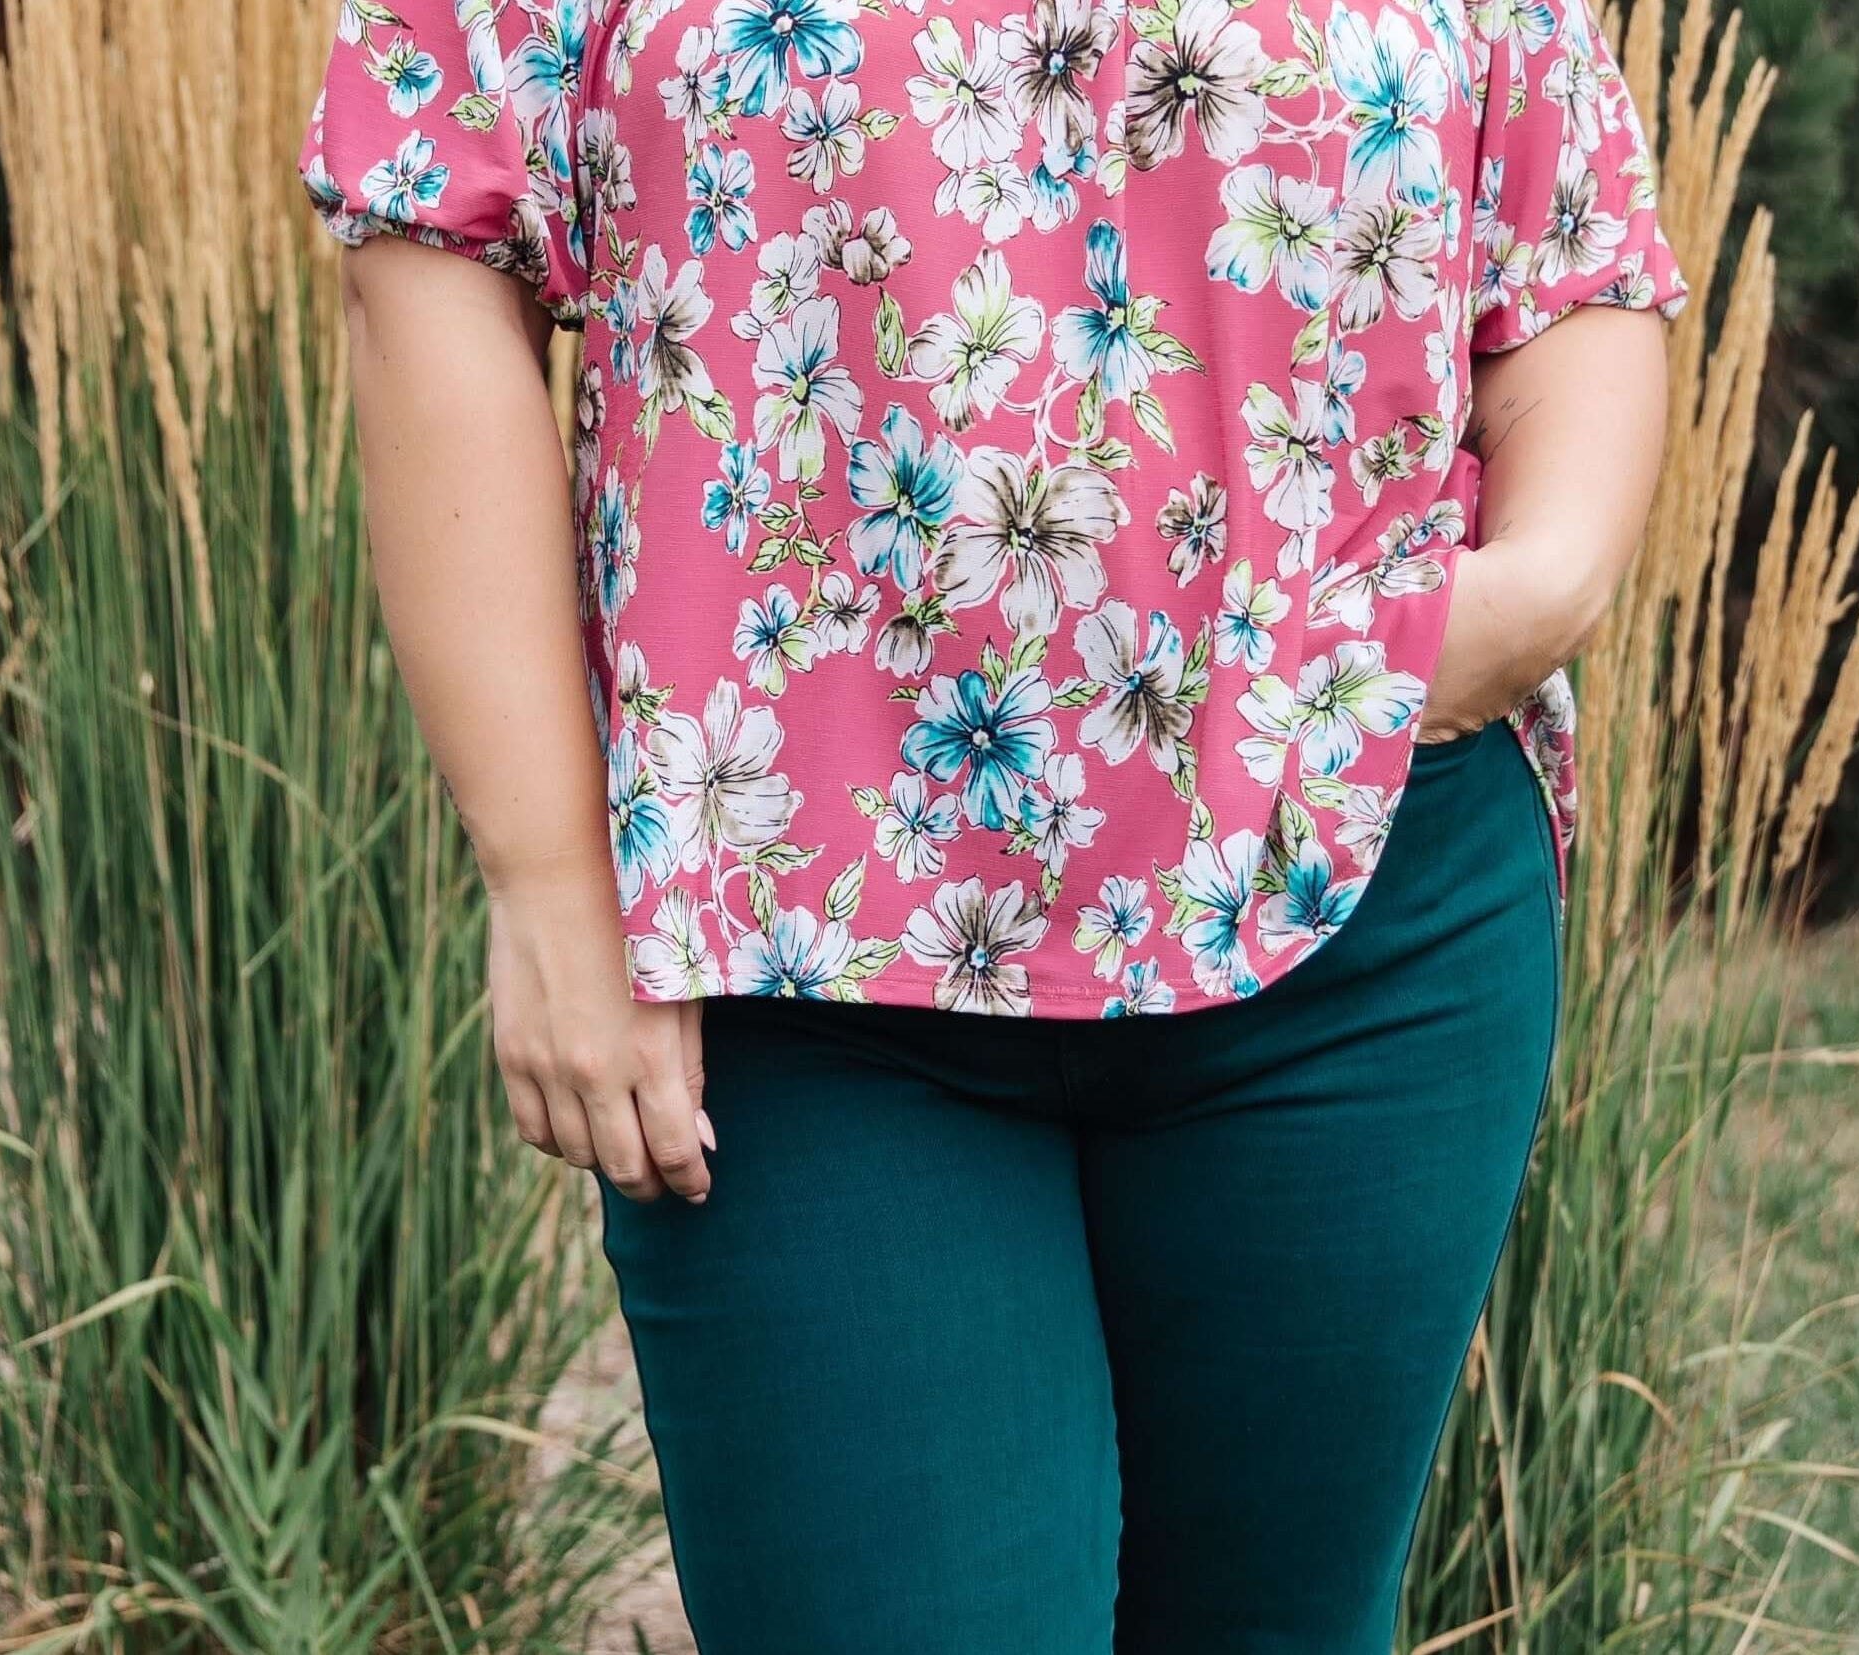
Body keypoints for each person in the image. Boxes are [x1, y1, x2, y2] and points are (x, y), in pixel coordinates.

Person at [302, 0, 1682, 1640]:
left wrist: (1535, 592)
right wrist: (542, 877)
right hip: (796, 950)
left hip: (1358, 899)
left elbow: (1572, 241)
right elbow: (431, 226)